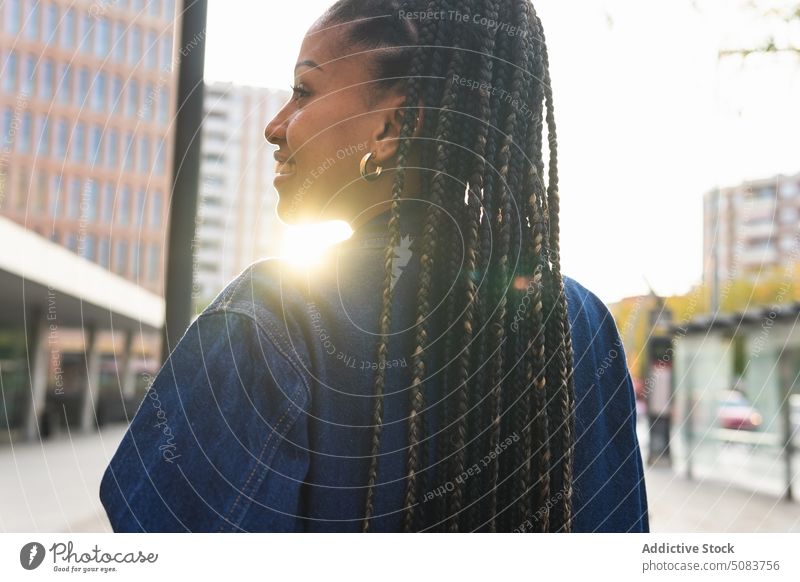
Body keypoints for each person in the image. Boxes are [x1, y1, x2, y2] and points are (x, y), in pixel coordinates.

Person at [99, 0, 649, 533]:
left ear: (391, 127)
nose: (275, 125)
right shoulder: (581, 326)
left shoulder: (268, 321)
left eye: (302, 91)